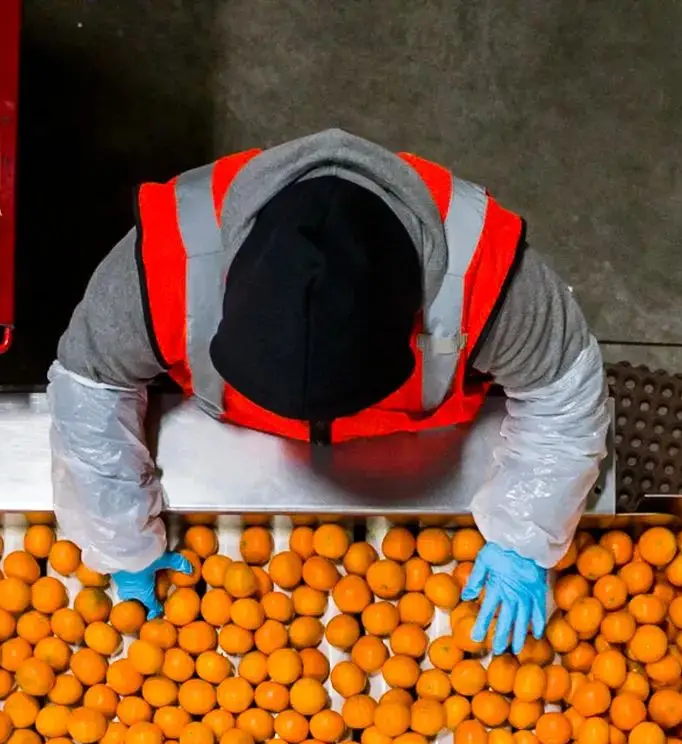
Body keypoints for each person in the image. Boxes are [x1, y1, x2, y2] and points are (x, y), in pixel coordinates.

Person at [49, 127, 609, 653]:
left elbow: (563, 395)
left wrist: (526, 532)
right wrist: (120, 539)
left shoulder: (490, 274)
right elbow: (91, 394)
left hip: (419, 445)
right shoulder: (164, 262)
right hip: (242, 443)